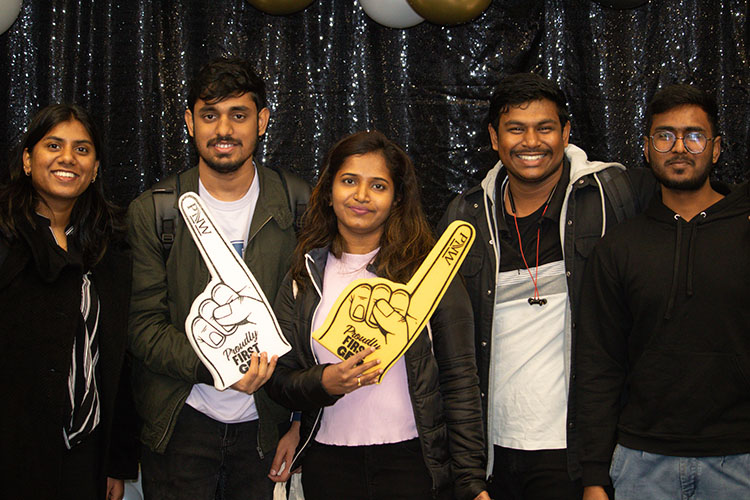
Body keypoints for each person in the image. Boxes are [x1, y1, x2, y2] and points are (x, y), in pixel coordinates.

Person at [438, 72, 656, 499]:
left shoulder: (613, 193)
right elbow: (452, 353)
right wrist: (467, 473)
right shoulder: (465, 216)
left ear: (566, 132)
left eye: (545, 128)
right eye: (516, 129)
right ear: (494, 138)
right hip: (494, 451)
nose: (531, 142)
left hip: (579, 452)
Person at [265, 130, 489, 500]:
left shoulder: (430, 275)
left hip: (413, 465)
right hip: (329, 466)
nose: (361, 196)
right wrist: (324, 382)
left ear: (397, 198)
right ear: (329, 188)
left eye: (378, 186)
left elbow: (460, 380)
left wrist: (471, 481)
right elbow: (279, 379)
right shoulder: (303, 274)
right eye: (349, 181)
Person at [127, 57, 306, 499]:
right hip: (181, 422)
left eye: (238, 115)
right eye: (209, 115)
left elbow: (312, 322)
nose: (223, 129)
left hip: (266, 423)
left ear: (262, 121)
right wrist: (219, 368)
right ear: (190, 122)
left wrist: (301, 422)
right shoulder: (154, 211)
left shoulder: (301, 204)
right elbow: (143, 327)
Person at [576, 84, 750, 500]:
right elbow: (600, 365)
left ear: (716, 148)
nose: (679, 148)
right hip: (640, 464)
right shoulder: (618, 247)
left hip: (740, 459)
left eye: (694, 136)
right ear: (647, 147)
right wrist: (594, 476)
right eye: (665, 135)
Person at [0, 104, 137, 500]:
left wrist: (116, 461)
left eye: (82, 149)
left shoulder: (110, 248)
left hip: (84, 452)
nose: (67, 158)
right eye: (53, 145)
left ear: (95, 169)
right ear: (28, 160)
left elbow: (116, 360)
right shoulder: (6, 239)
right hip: (14, 454)